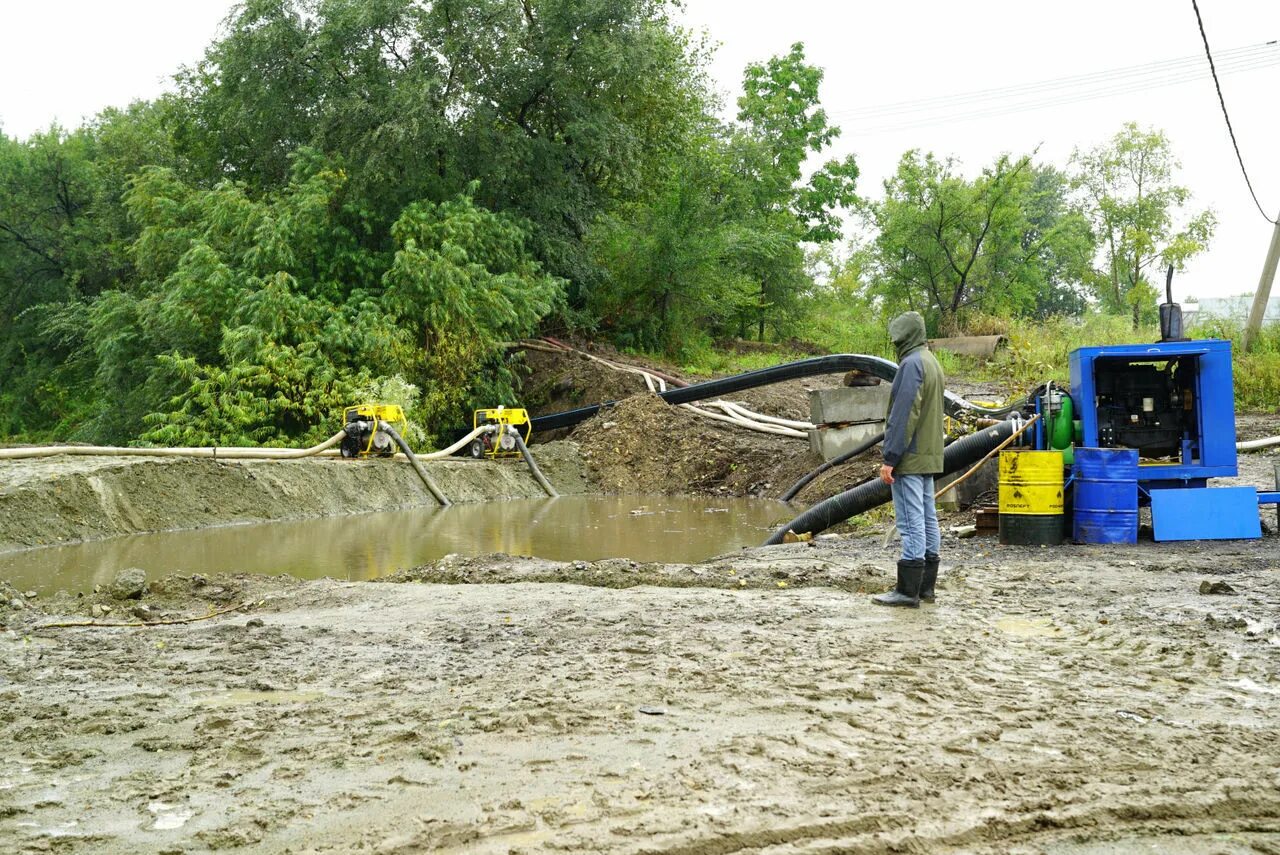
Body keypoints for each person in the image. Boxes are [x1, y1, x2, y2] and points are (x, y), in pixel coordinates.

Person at [873, 311, 944, 608]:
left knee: (910, 520)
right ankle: (926, 588)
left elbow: (903, 416)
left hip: (910, 457)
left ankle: (907, 591)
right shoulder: (931, 362)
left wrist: (890, 458)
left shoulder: (911, 364)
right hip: (929, 455)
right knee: (928, 518)